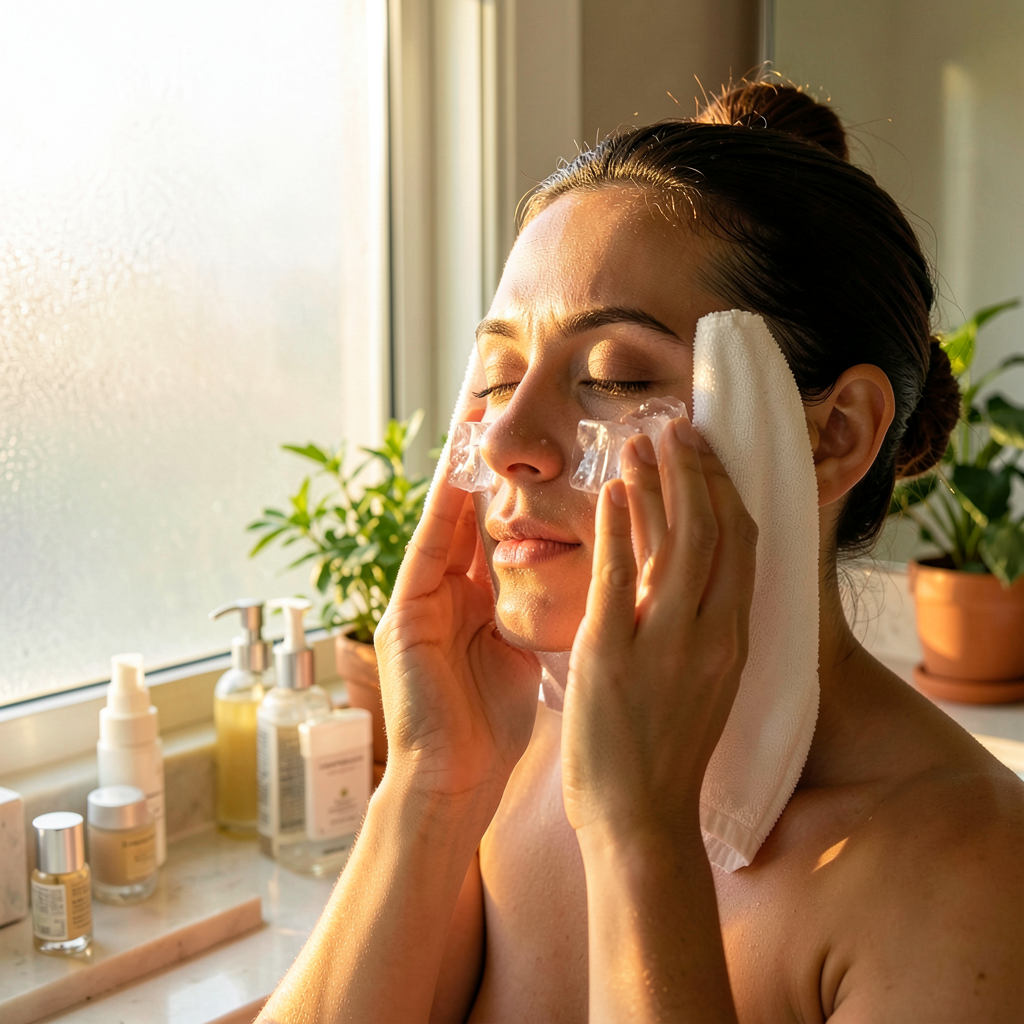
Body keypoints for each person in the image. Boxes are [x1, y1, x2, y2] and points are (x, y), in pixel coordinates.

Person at [259, 82, 1024, 1023]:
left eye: (615, 377)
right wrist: (429, 782)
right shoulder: (505, 763)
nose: (503, 442)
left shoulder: (966, 876)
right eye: (499, 377)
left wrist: (638, 834)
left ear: (831, 437)